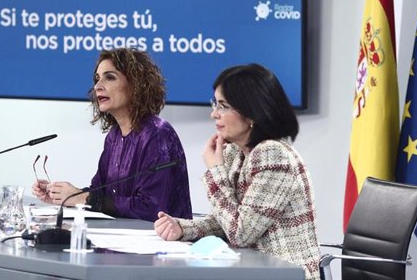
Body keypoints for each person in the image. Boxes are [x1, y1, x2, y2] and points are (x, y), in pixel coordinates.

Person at [154, 64, 320, 279]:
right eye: (215, 104)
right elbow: (227, 221)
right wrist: (182, 228)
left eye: (223, 106)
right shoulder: (236, 153)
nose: (214, 114)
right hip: (251, 271)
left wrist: (215, 171)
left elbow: (240, 233)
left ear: (252, 113)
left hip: (283, 274)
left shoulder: (273, 155)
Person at [32, 48, 192, 222]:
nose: (97, 86)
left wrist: (83, 198)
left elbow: (150, 208)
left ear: (136, 84)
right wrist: (65, 197)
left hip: (165, 243)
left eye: (109, 77)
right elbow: (101, 192)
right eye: (97, 79)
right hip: (125, 238)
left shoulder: (157, 134)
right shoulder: (114, 136)